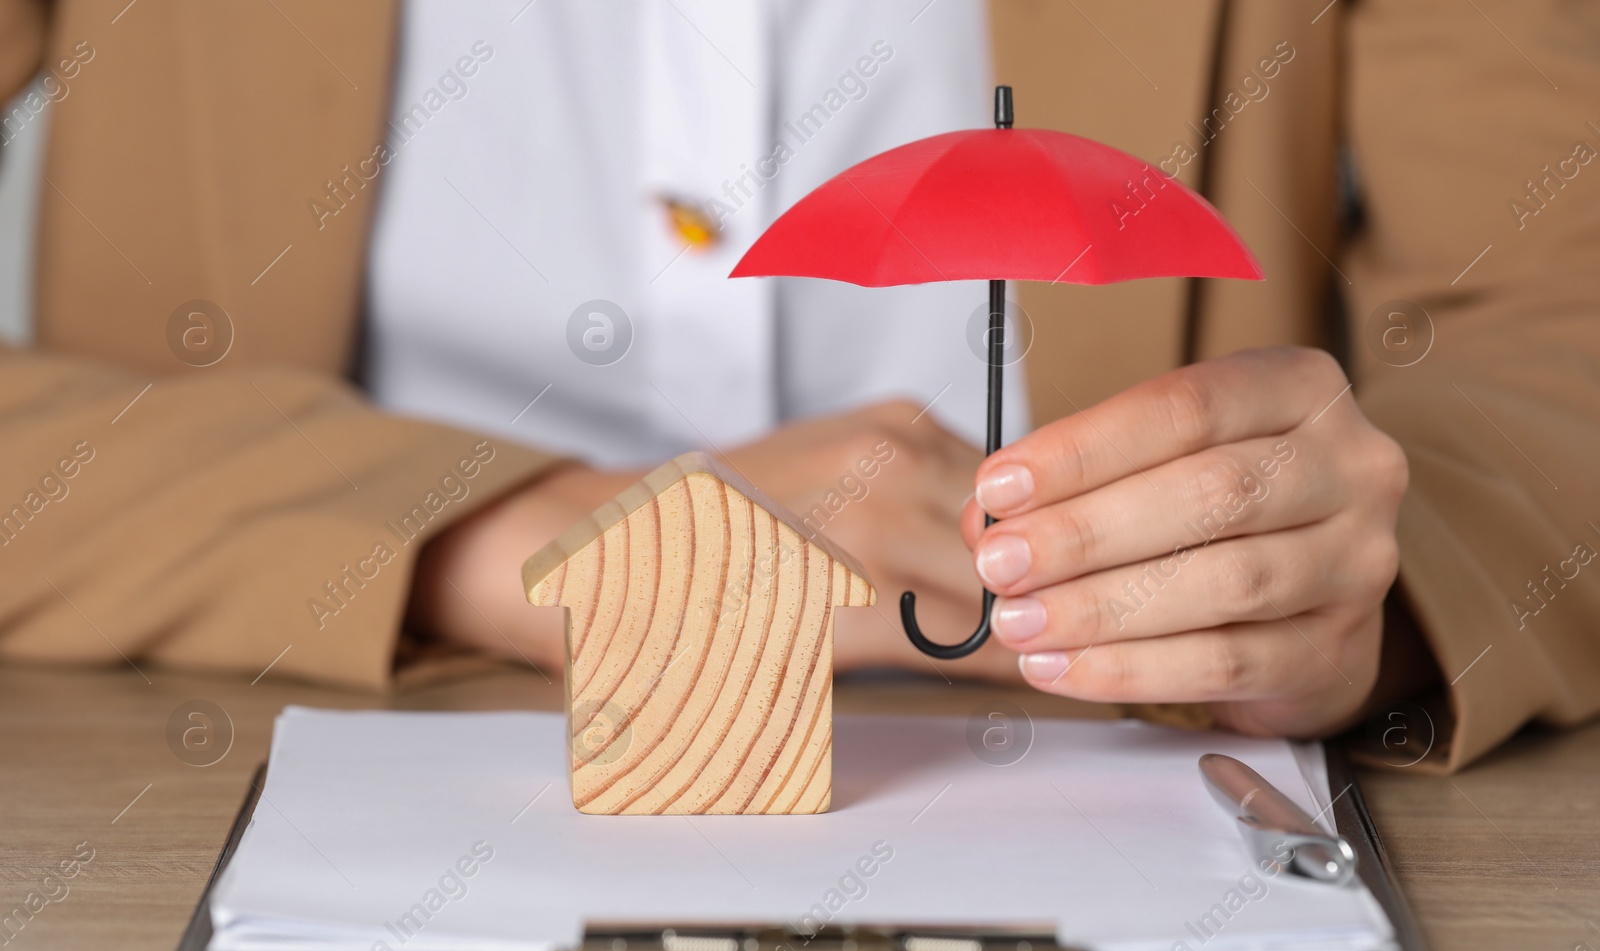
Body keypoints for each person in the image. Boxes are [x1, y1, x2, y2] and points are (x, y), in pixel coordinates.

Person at [1, 0, 1595, 774]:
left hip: (1116, 781)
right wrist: (492, 538)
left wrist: (1353, 585)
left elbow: (1561, 318)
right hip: (275, 753)